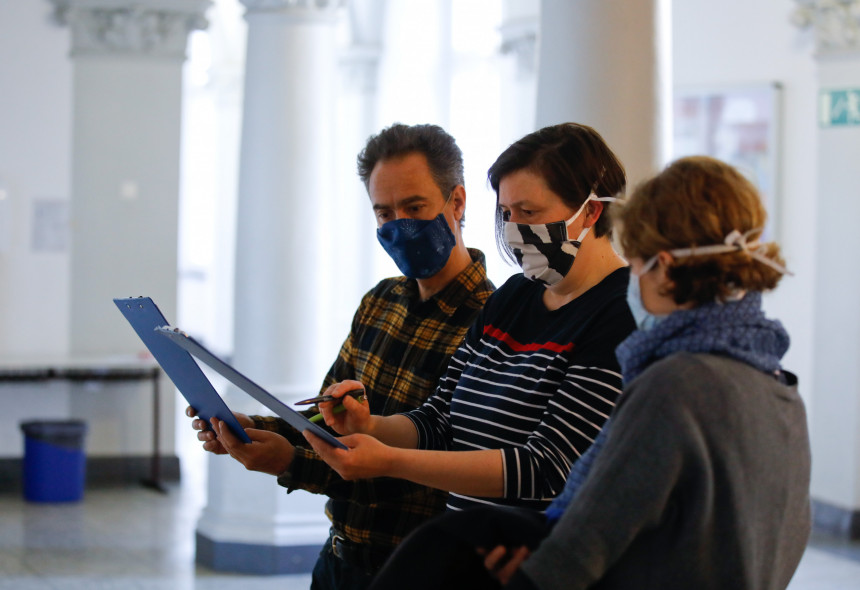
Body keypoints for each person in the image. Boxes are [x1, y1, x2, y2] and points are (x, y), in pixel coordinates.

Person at [365, 155, 812, 590]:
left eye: (637, 261)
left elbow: (590, 537)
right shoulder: (780, 389)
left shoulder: (673, 385)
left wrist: (537, 564)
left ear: (664, 268)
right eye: (508, 213)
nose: (631, 277)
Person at [188, 123, 495, 590]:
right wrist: (253, 428)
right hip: (339, 560)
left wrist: (288, 462)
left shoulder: (493, 324)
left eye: (414, 208)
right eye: (384, 212)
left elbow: (442, 470)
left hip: (423, 572)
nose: (399, 226)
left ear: (457, 202)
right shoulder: (380, 302)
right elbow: (326, 419)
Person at [303, 123, 636, 517]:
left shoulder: (623, 314)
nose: (513, 229)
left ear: (591, 211)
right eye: (507, 213)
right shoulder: (514, 296)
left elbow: (549, 468)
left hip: (534, 551)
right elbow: (439, 420)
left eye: (529, 212)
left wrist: (390, 460)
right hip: (467, 542)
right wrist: (370, 426)